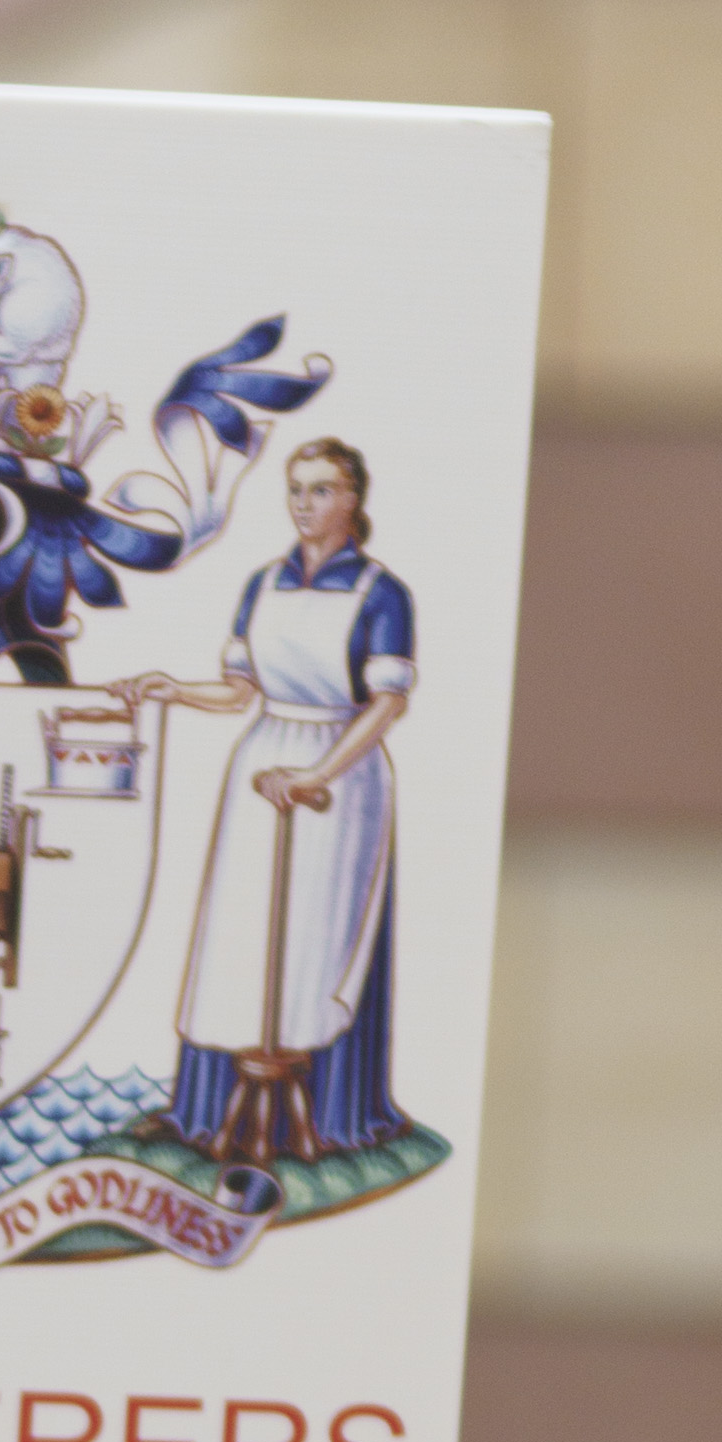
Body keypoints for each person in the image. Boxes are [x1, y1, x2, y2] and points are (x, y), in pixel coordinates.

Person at [116, 435, 413, 1167]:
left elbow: (386, 703)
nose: (305, 504)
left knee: (316, 937)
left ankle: (328, 1113)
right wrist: (174, 689)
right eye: (296, 489)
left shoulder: (381, 591)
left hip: (339, 776)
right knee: (239, 933)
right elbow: (242, 692)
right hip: (259, 761)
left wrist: (320, 774)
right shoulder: (263, 581)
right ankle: (204, 1108)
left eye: (320, 490)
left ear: (353, 500)